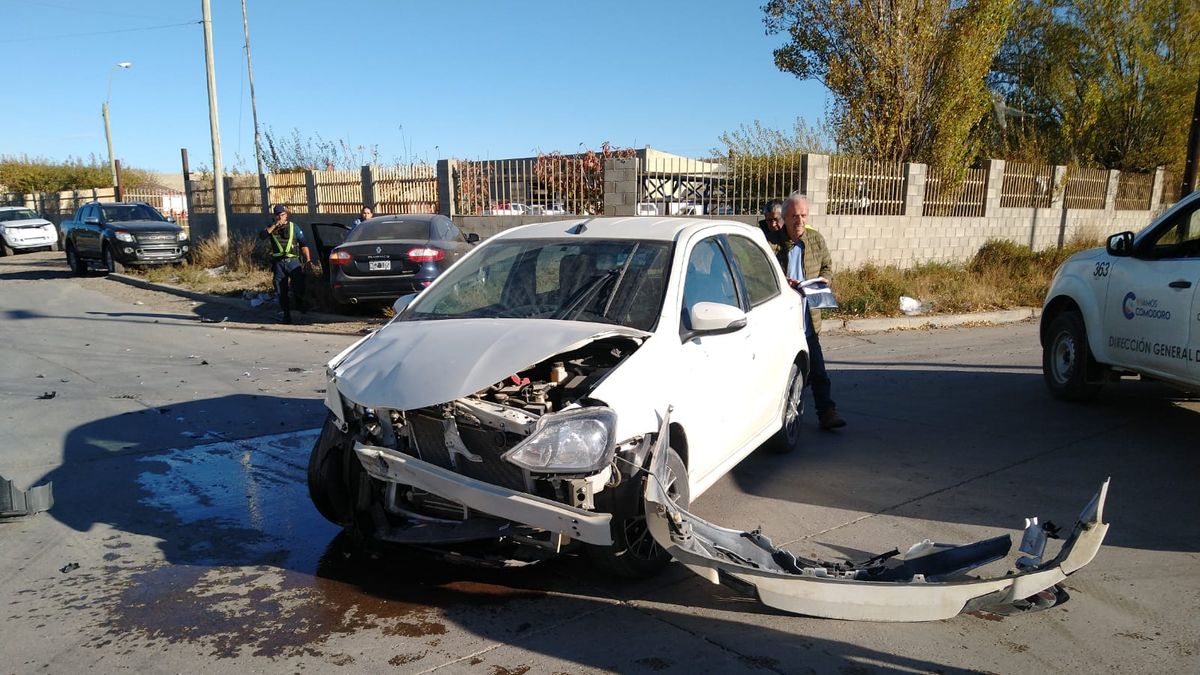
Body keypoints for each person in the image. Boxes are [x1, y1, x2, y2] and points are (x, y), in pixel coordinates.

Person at [779, 192, 845, 430]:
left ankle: (826, 413)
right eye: (794, 215)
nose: (799, 220)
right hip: (783, 320)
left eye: (803, 215)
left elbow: (827, 265)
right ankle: (780, 420)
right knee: (783, 372)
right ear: (784, 217)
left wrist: (825, 279)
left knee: (818, 369)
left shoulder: (816, 240)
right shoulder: (773, 243)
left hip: (809, 317)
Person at [260, 204, 314, 324]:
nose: (280, 217)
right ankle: (286, 314)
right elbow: (262, 236)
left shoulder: (294, 227)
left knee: (299, 287)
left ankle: (300, 305)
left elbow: (303, 245)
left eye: (282, 215)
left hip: (293, 262)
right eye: (278, 215)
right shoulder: (271, 228)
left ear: (286, 215)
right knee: (281, 291)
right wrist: (274, 225)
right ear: (275, 216)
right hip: (279, 264)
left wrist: (308, 261)